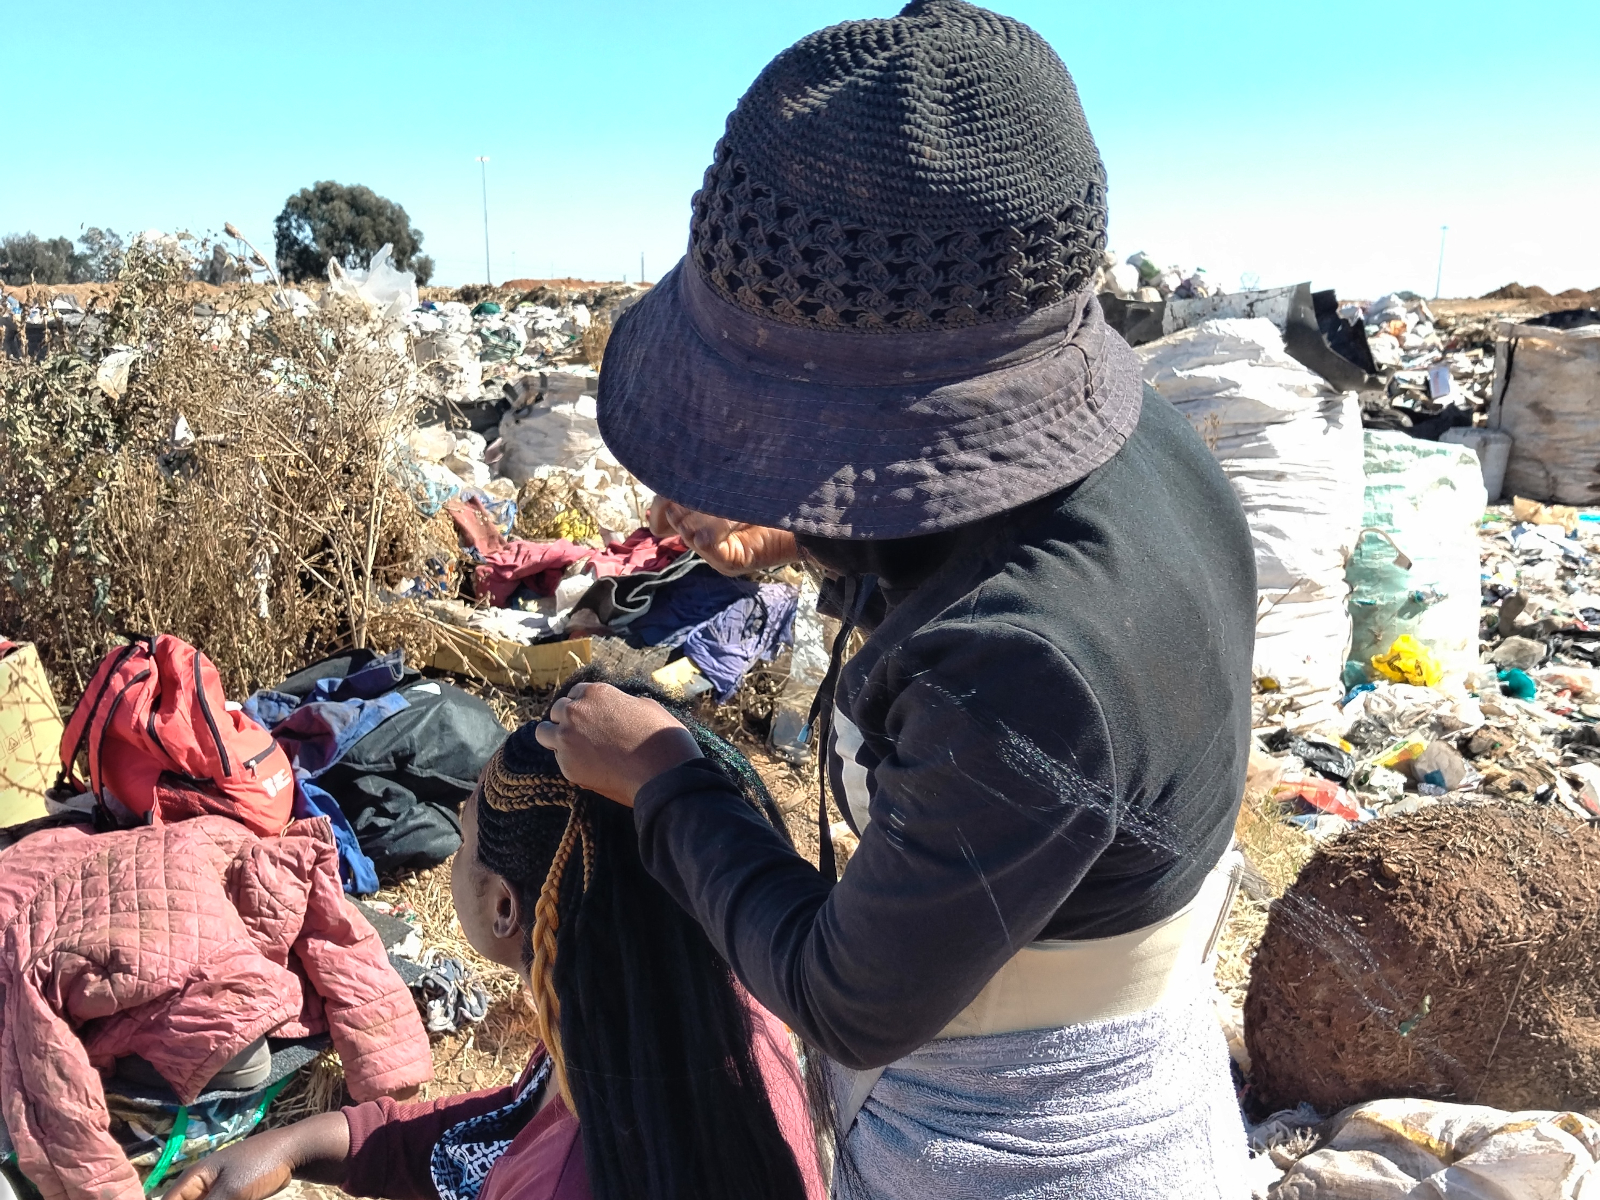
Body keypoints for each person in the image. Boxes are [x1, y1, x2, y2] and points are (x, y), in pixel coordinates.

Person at [533, 2, 1258, 1196]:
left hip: (1024, 1153)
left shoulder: (1021, 663)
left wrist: (660, 776)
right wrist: (819, 531)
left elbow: (847, 999)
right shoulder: (1143, 449)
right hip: (1134, 1079)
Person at [166, 678, 824, 1200]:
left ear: (506, 906)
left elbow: (525, 1154)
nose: (455, 850)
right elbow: (515, 1123)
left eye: (466, 833)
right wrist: (309, 1142)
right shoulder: (706, 1009)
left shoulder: (561, 1178)